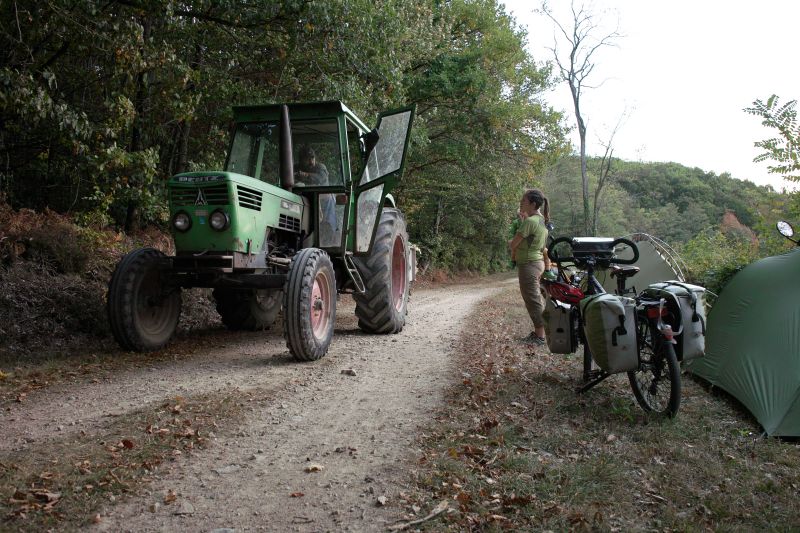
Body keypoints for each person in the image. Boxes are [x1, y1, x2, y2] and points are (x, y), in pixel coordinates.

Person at [508, 188, 551, 346]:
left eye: (524, 201)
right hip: (537, 263)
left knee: (532, 300)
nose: (521, 203)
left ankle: (540, 336)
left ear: (533, 204)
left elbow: (514, 244)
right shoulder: (540, 221)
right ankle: (539, 333)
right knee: (535, 298)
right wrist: (522, 220)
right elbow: (531, 240)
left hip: (528, 265)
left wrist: (510, 243)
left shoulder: (530, 222)